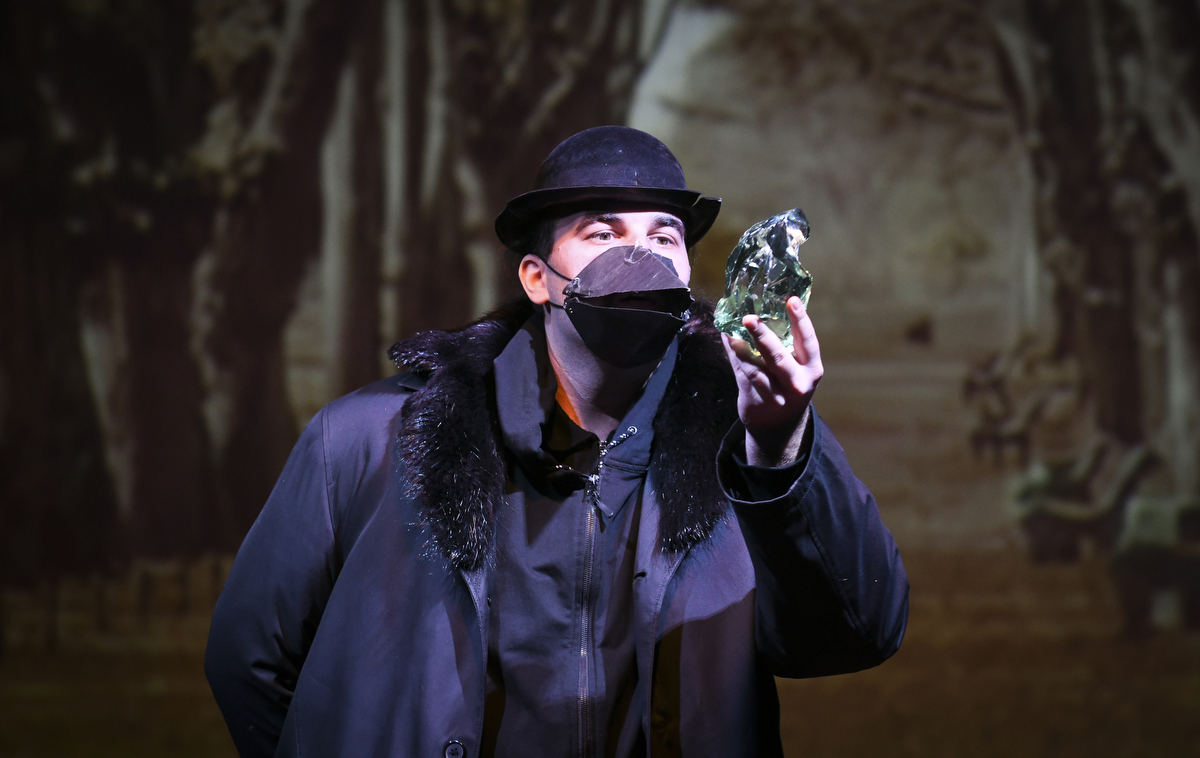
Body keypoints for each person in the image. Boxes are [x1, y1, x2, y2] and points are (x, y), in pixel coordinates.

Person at [205, 125, 908, 758]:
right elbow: (249, 661)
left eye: (664, 237)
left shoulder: (747, 445)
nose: (640, 257)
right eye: (602, 234)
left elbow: (854, 633)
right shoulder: (367, 442)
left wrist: (779, 452)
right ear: (537, 278)